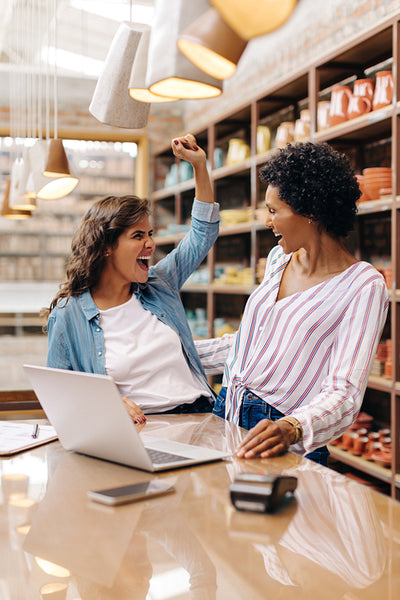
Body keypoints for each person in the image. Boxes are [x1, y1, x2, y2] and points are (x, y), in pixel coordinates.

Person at [196, 141, 389, 466]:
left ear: (311, 212)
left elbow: (345, 392)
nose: (267, 222)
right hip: (226, 410)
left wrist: (291, 427)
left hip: (281, 433)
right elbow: (248, 345)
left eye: (273, 211)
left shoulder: (364, 285)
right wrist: (176, 352)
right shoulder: (277, 259)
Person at [44, 134, 219, 423]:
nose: (149, 244)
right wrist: (105, 404)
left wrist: (200, 166)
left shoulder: (160, 284)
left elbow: (202, 234)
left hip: (201, 418)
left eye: (150, 233)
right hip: (137, 429)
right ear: (106, 247)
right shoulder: (68, 316)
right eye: (137, 235)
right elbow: (58, 398)